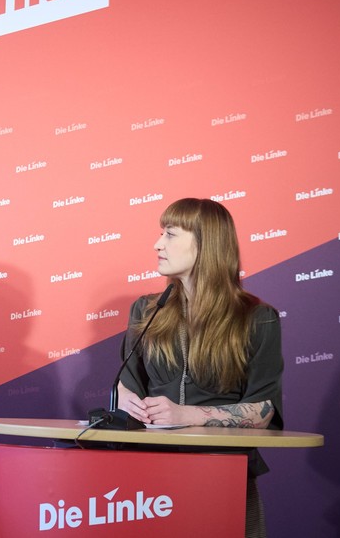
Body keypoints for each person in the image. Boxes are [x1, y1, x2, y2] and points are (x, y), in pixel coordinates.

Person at [116, 198, 283, 538]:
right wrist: (125, 400)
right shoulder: (146, 310)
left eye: (170, 234)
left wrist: (185, 415)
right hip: (148, 481)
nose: (157, 244)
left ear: (206, 244)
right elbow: (126, 383)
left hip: (225, 475)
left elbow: (264, 410)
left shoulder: (257, 318)